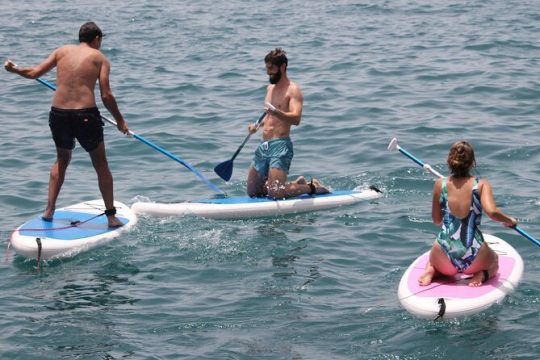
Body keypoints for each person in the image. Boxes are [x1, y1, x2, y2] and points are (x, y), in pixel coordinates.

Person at [4, 21, 129, 227]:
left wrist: (15, 69)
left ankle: (49, 210)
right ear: (96, 39)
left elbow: (33, 73)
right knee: (100, 164)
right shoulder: (99, 58)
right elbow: (106, 95)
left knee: (62, 160)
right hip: (85, 116)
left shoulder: (62, 51)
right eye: (101, 40)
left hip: (59, 114)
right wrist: (120, 121)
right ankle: (111, 216)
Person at [418, 141, 518, 287]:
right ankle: (481, 274)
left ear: (449, 161)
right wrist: (510, 220)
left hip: (444, 251)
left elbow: (437, 220)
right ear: (473, 163)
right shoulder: (481, 184)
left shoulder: (440, 184)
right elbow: (492, 212)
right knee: (495, 262)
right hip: (473, 251)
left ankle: (431, 270)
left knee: (431, 261)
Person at [246, 48, 329, 199]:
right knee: (253, 191)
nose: (268, 72)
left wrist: (277, 112)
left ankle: (311, 187)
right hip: (264, 145)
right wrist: (257, 125)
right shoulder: (270, 88)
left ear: (282, 67)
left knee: (276, 193)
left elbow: (296, 119)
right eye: (266, 68)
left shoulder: (293, 90)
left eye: (271, 68)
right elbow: (268, 118)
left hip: (281, 145)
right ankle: (292, 184)